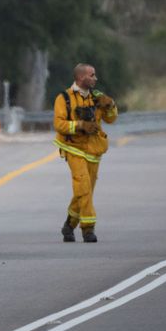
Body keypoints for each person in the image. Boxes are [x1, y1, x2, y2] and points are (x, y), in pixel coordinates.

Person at [52, 63, 118, 243]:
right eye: (92, 75)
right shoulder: (64, 98)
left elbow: (111, 119)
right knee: (83, 185)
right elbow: (59, 124)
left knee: (84, 191)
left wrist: (110, 105)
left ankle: (69, 225)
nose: (95, 78)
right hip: (73, 148)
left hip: (94, 150)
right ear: (81, 78)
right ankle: (88, 229)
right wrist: (80, 125)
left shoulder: (96, 98)